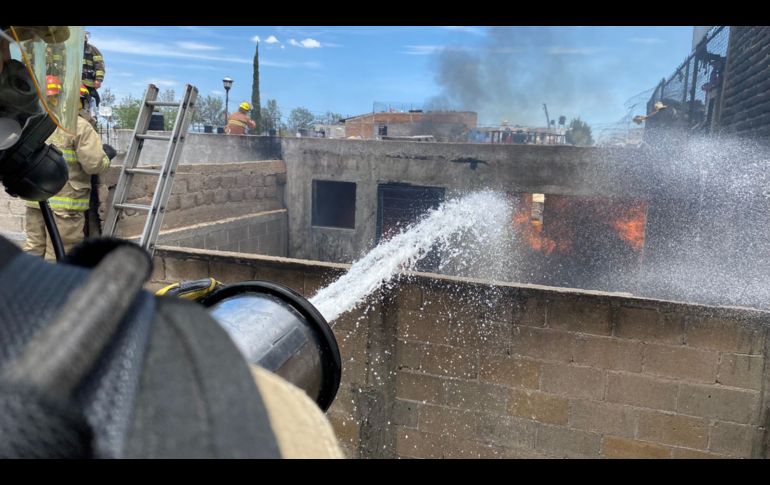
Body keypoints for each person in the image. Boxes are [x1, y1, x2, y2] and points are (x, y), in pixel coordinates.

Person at [1, 26, 344, 458]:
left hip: (39, 211)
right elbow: (94, 163)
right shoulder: (80, 127)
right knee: (57, 266)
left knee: (38, 257)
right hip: (66, 210)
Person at [23, 83, 111, 260]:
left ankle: (25, 285)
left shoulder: (35, 122)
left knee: (33, 248)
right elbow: (93, 164)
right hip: (65, 205)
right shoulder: (79, 125)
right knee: (60, 252)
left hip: (35, 201)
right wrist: (105, 158)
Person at [81, 31, 104, 108]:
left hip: (88, 83)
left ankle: (92, 115)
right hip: (75, 83)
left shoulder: (92, 49)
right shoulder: (73, 50)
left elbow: (99, 65)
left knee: (95, 99)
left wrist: (98, 80)